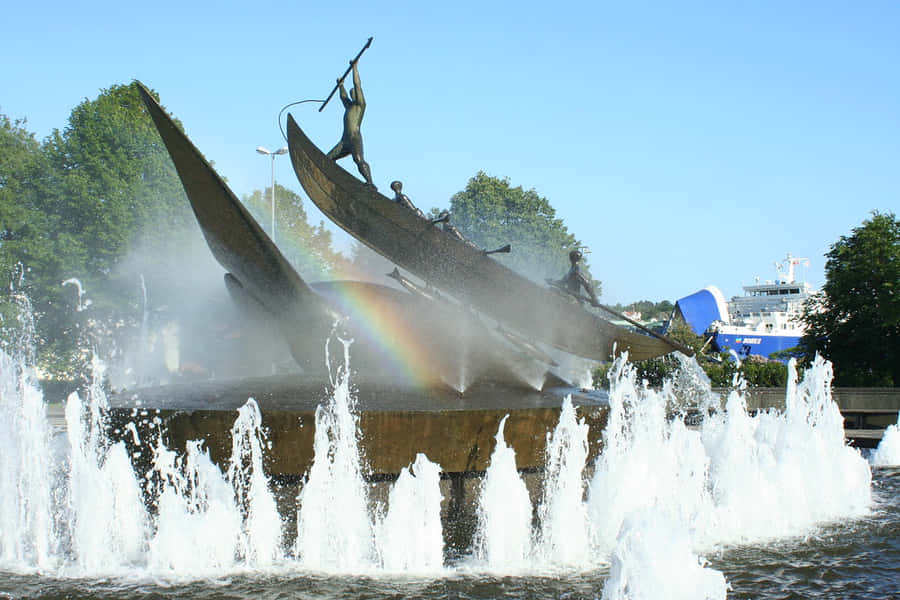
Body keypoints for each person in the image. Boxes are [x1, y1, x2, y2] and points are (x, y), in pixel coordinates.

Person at [326, 61, 375, 187]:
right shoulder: (349, 106)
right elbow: (343, 97)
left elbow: (357, 84)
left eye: (355, 92)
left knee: (358, 160)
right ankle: (334, 179)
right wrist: (341, 85)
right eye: (351, 92)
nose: (353, 93)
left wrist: (355, 68)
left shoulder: (360, 105)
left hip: (354, 138)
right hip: (344, 141)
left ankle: (370, 183)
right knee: (328, 159)